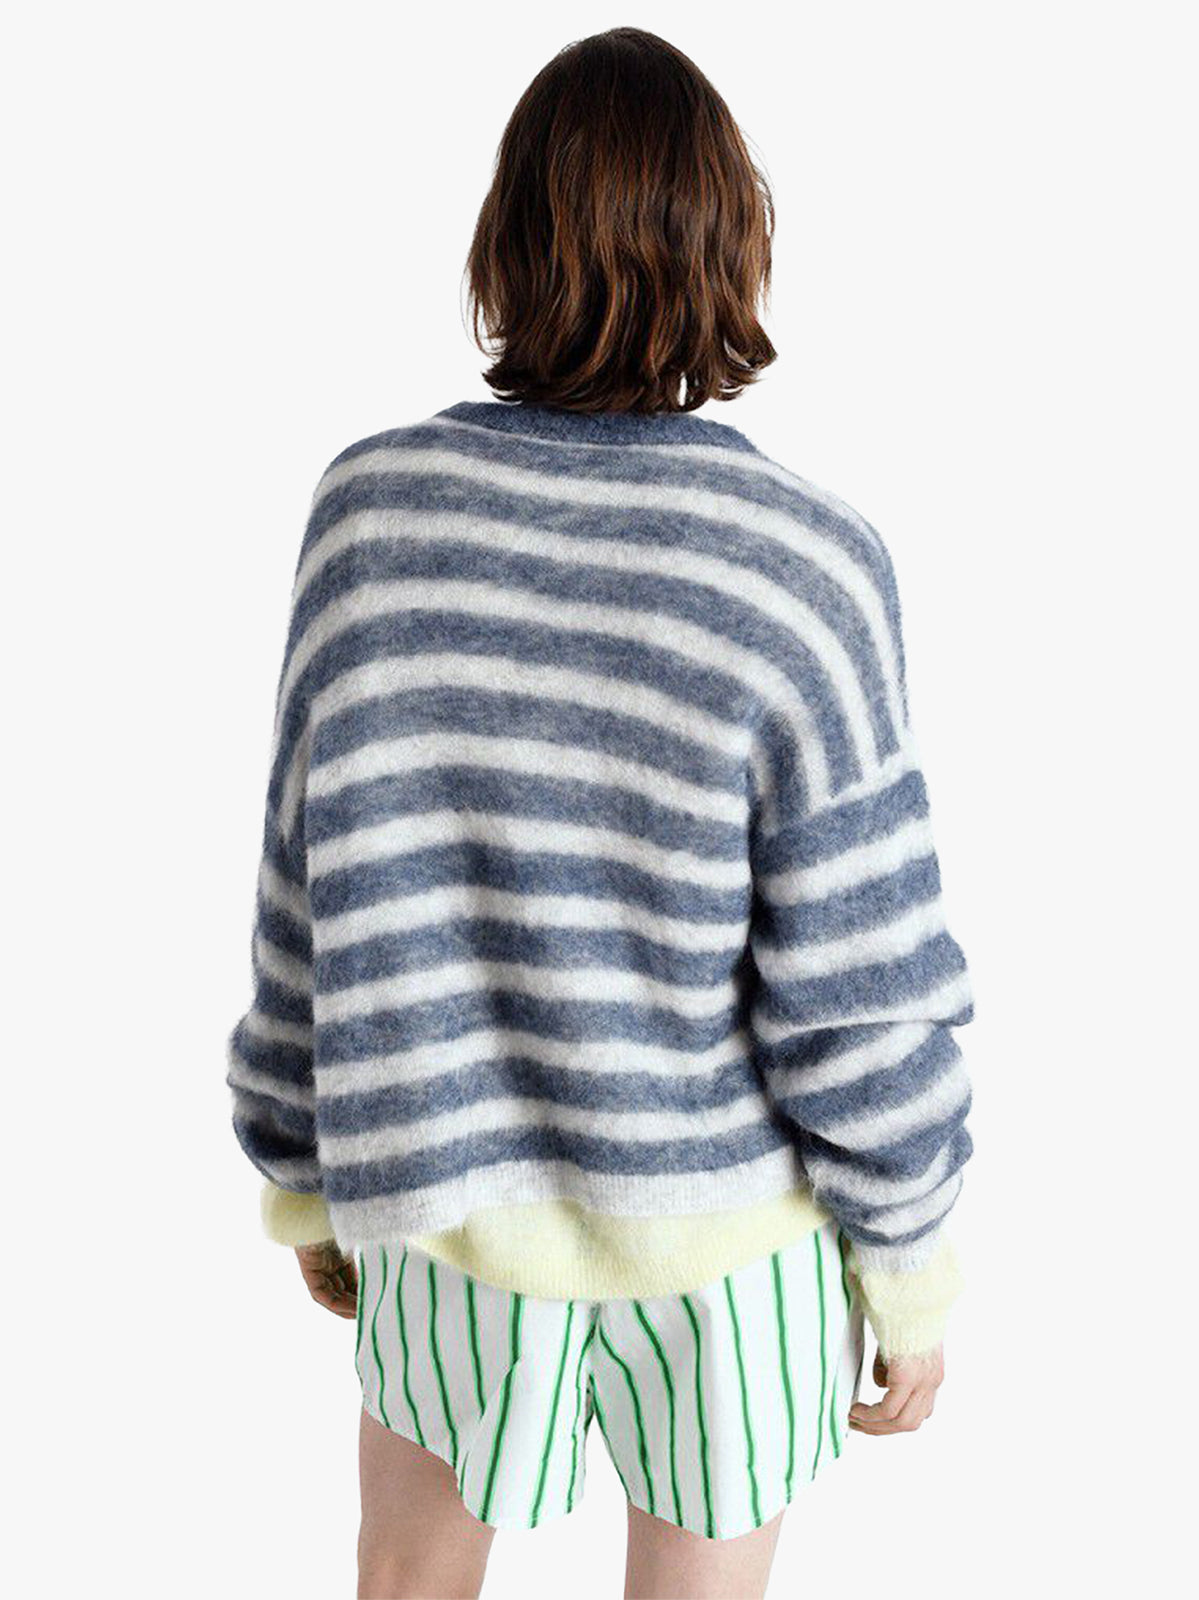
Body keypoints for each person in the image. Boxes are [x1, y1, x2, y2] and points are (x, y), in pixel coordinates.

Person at [226, 26, 973, 1600]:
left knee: (408, 1574)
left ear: (506, 242)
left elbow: (308, 889)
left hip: (446, 1209)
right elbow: (857, 983)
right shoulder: (802, 562)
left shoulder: (370, 516)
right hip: (725, 1240)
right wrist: (908, 1264)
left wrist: (305, 1166)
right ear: (731, 241)